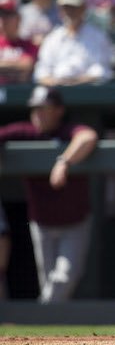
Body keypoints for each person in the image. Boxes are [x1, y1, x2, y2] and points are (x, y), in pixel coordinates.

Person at [0, 86, 98, 303]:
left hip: (74, 221)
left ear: (58, 110)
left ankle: (40, 316)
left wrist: (63, 162)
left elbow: (88, 137)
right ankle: (49, 326)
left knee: (64, 276)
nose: (38, 114)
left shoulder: (67, 131)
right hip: (41, 222)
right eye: (35, 109)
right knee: (49, 281)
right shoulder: (26, 132)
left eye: (44, 109)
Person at [34, 0, 115, 86]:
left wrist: (76, 82)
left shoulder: (98, 37)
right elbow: (41, 73)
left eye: (74, 7)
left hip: (89, 93)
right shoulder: (52, 39)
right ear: (60, 10)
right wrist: (57, 82)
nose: (70, 12)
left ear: (83, 8)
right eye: (65, 8)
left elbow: (102, 71)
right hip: (56, 94)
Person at [0, 0, 39, 85]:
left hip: (20, 96)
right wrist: (16, 65)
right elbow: (21, 66)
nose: (3, 19)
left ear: (18, 18)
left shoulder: (29, 44)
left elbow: (27, 65)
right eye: (1, 15)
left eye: (8, 14)